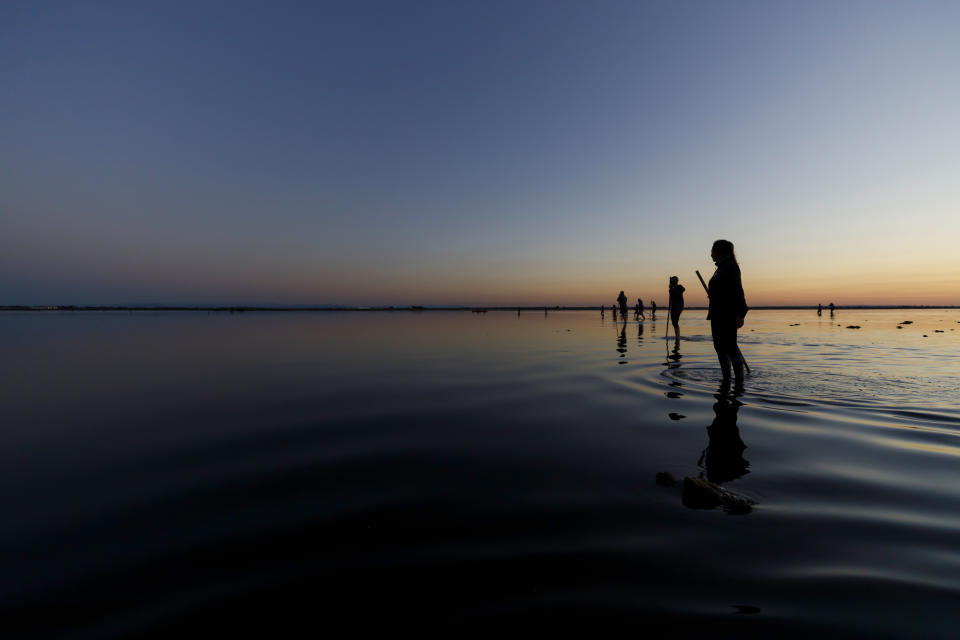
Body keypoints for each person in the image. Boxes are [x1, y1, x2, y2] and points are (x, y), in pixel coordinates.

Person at [707, 239, 748, 384]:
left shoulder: (731, 267)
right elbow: (722, 290)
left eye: (712, 250)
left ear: (719, 251)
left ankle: (739, 382)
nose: (710, 253)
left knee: (730, 347)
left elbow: (738, 292)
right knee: (720, 348)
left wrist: (740, 314)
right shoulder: (720, 268)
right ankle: (726, 379)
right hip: (717, 314)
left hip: (727, 314)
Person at [668, 276, 685, 342]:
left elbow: (683, 289)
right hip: (674, 307)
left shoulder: (679, 287)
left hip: (678, 307)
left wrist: (672, 288)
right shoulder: (671, 289)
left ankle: (677, 338)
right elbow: (671, 297)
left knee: (675, 322)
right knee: (674, 322)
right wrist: (669, 306)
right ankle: (677, 337)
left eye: (672, 281)